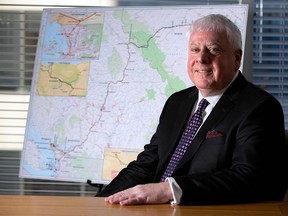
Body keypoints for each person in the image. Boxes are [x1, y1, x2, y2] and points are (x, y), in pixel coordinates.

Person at [96, 14, 288, 205]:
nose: (201, 58)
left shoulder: (259, 108)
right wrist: (98, 203)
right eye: (195, 49)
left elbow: (252, 178)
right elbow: (147, 164)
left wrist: (169, 189)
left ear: (236, 58)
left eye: (214, 49)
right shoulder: (177, 102)